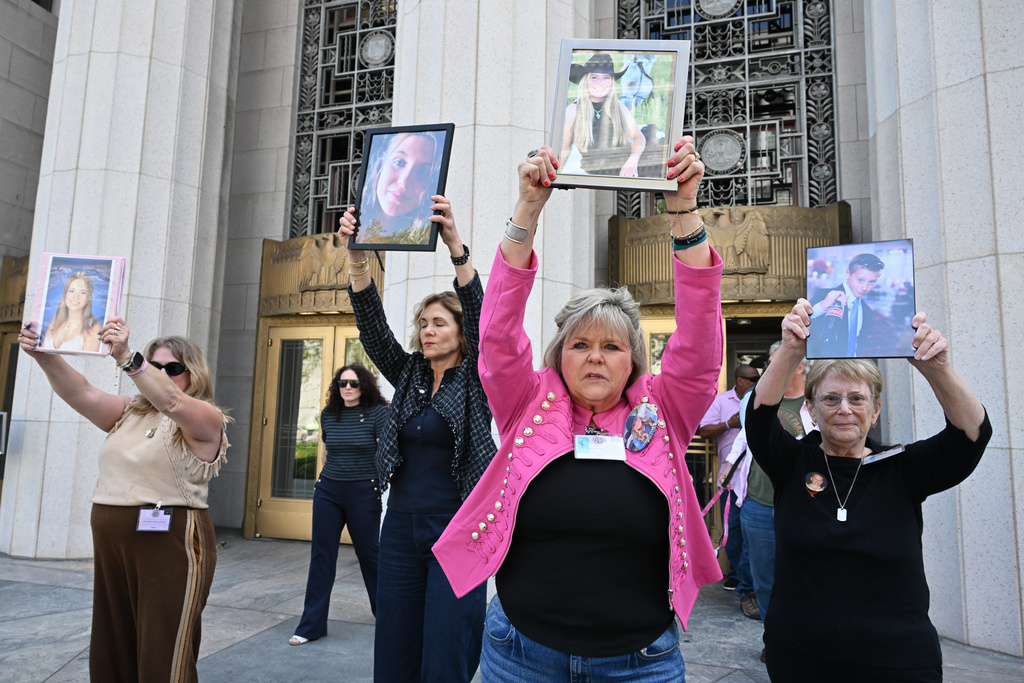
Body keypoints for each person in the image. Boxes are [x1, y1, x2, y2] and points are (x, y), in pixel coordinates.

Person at [433, 137, 721, 681]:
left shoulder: (663, 408)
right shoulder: (527, 401)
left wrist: (683, 211)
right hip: (521, 656)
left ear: (633, 359)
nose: (594, 357)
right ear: (558, 355)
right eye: (580, 344)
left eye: (611, 347)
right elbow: (496, 333)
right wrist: (528, 207)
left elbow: (702, 346)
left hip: (641, 663)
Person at [746, 299, 990, 681]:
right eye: (830, 398)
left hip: (897, 663)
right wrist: (792, 349)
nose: (844, 408)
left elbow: (971, 436)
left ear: (875, 410)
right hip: (799, 657)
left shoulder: (903, 468)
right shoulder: (793, 464)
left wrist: (938, 369)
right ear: (811, 408)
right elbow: (759, 420)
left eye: (857, 398)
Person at [337, 196, 496, 682]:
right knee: (396, 642)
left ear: (461, 333)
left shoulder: (478, 376)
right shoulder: (407, 373)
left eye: (439, 323)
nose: (427, 331)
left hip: (457, 527)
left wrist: (454, 245)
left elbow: (484, 316)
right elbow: (371, 326)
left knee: (448, 644)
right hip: (401, 528)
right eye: (423, 324)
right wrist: (357, 258)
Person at [18, 318, 230, 683]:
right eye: (156, 365)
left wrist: (128, 359)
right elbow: (81, 393)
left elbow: (172, 400)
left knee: (162, 650)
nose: (162, 374)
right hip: (113, 543)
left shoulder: (204, 417)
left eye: (172, 368)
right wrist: (43, 353)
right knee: (112, 643)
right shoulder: (129, 412)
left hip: (170, 544)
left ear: (191, 374)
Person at [290, 364, 388, 646]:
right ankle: (311, 626)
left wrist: (377, 485)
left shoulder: (377, 414)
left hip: (363, 491)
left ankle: (388, 615)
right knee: (322, 556)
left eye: (354, 383)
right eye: (343, 383)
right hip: (329, 490)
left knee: (370, 554)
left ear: (364, 386)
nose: (348, 388)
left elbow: (384, 454)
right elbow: (325, 454)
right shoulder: (328, 415)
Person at [699, 364, 759, 593]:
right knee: (732, 528)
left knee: (753, 529)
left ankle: (750, 579)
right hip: (731, 478)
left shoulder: (763, 399)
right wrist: (729, 424)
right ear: (739, 380)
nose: (755, 382)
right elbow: (704, 431)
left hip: (756, 476)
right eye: (751, 379)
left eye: (757, 378)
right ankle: (736, 574)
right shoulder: (722, 401)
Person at [558, 53, 647, 177]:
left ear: (612, 82)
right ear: (585, 81)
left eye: (606, 77)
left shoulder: (618, 106)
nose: (601, 83)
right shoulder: (573, 111)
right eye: (594, 77)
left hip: (629, 170)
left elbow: (639, 138)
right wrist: (555, 177)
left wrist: (632, 161)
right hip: (597, 174)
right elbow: (564, 148)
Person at [355, 131, 444, 245]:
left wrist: (454, 241)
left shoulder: (421, 239)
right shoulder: (354, 232)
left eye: (422, 171)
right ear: (381, 165)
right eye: (399, 162)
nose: (404, 181)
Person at [808, 252, 886, 357]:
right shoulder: (824, 295)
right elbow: (804, 323)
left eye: (871, 282)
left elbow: (860, 346)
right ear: (848, 274)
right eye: (860, 280)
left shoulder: (867, 311)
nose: (865, 287)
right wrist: (822, 306)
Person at [40, 271, 102, 352]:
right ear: (65, 293)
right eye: (72, 291)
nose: (76, 297)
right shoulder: (57, 317)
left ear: (88, 298)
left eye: (82, 292)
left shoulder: (93, 326)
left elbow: (90, 361)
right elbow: (43, 348)